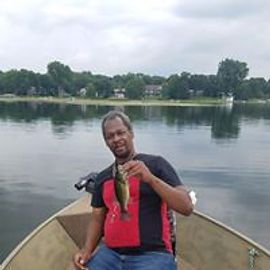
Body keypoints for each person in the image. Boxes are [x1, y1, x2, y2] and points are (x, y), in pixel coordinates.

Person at [73, 110, 194, 270]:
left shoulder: (156, 165)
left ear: (131, 133)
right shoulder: (103, 177)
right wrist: (86, 251)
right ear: (106, 142)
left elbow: (186, 207)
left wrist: (151, 179)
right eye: (110, 136)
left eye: (120, 133)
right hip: (110, 254)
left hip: (153, 255)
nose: (116, 139)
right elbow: (97, 219)